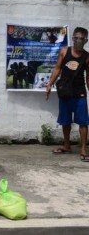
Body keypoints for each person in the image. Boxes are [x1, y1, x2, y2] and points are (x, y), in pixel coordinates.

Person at [46, 27, 89, 162]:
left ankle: (83, 149)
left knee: (83, 122)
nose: (78, 40)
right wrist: (49, 85)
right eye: (75, 37)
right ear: (73, 38)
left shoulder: (87, 57)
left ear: (86, 40)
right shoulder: (64, 51)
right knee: (65, 121)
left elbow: (88, 76)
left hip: (80, 92)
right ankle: (67, 145)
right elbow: (57, 68)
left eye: (81, 38)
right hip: (65, 92)